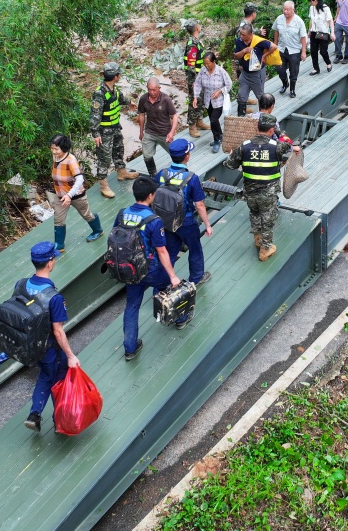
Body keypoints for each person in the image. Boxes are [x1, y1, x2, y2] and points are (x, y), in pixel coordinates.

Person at [117, 177, 182, 360]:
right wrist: (173, 276)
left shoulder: (122, 213)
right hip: (151, 269)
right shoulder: (154, 220)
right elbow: (161, 251)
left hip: (131, 269)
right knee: (166, 290)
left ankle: (130, 348)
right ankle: (180, 319)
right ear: (151, 196)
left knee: (132, 305)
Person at [21, 242, 81, 431]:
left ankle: (35, 413)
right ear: (49, 263)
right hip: (50, 349)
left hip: (30, 345)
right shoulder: (54, 297)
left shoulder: (21, 284)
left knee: (46, 376)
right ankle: (59, 421)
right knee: (59, 381)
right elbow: (58, 331)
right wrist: (71, 356)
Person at [224, 114, 295, 261]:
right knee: (268, 219)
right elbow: (289, 144)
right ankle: (265, 249)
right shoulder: (277, 147)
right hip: (268, 194)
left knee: (255, 214)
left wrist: (232, 155)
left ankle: (257, 240)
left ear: (257, 127)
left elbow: (229, 164)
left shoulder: (244, 146)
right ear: (271, 130)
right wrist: (280, 133)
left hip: (250, 192)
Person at [156, 138, 213, 287]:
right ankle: (197, 277)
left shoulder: (162, 174)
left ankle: (164, 281)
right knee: (195, 249)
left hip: (165, 220)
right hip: (185, 221)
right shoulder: (191, 178)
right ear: (187, 156)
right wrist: (207, 224)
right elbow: (199, 204)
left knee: (169, 251)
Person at [90, 62, 139, 199]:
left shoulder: (114, 89)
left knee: (119, 149)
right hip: (104, 131)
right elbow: (94, 115)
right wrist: (95, 133)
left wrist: (130, 102)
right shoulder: (100, 93)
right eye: (119, 74)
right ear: (115, 76)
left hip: (115, 127)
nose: (120, 76)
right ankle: (103, 185)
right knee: (104, 157)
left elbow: (120, 98)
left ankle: (121, 172)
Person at [47, 135, 102, 254]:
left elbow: (80, 179)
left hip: (75, 195)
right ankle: (59, 245)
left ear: (64, 148)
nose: (53, 151)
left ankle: (98, 230)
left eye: (56, 149)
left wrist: (69, 195)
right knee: (58, 219)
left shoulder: (70, 160)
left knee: (86, 214)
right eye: (52, 148)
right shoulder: (55, 157)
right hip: (60, 195)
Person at [136, 77, 178, 176]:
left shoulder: (166, 99)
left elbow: (174, 116)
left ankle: (180, 173)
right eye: (149, 89)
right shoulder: (143, 99)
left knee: (176, 154)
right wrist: (141, 132)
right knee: (146, 155)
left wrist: (171, 133)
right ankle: (153, 175)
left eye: (154, 89)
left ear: (159, 88)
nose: (152, 92)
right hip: (150, 131)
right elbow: (142, 115)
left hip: (164, 133)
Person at [234, 20, 276, 115]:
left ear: (250, 34)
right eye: (240, 34)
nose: (241, 36)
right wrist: (244, 51)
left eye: (243, 35)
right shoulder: (239, 41)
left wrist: (264, 56)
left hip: (257, 74)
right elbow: (236, 56)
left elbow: (273, 46)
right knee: (241, 95)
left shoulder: (258, 41)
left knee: (260, 96)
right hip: (245, 74)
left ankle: (263, 116)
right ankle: (241, 117)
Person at [193, 51, 232, 152]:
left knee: (213, 120)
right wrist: (195, 97)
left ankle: (216, 140)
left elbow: (229, 84)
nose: (206, 65)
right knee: (214, 120)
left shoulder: (220, 71)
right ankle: (220, 135)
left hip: (218, 101)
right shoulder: (203, 71)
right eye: (204, 63)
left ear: (214, 61)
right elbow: (197, 83)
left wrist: (219, 91)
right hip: (208, 100)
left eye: (208, 63)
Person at [272, 0, 308, 97]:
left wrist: (303, 52)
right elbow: (276, 31)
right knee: (279, 69)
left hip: (294, 50)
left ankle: (292, 89)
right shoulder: (279, 19)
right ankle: (285, 83)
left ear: (293, 10)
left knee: (294, 71)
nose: (285, 11)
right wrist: (275, 45)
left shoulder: (299, 21)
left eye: (288, 10)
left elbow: (303, 37)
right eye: (284, 9)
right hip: (281, 48)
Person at [182, 21, 209, 138]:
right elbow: (191, 65)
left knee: (201, 100)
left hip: (201, 76)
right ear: (197, 28)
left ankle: (199, 121)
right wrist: (194, 82)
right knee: (194, 101)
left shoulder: (196, 42)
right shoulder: (192, 44)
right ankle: (192, 126)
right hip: (195, 78)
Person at [306, 0, 334, 74]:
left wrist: (332, 32)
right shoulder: (312, 8)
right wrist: (309, 31)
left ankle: (328, 63)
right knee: (313, 51)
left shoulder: (325, 8)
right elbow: (311, 20)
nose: (310, 3)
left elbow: (330, 21)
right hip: (314, 32)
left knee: (323, 51)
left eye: (311, 1)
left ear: (315, 1)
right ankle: (316, 68)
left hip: (323, 32)